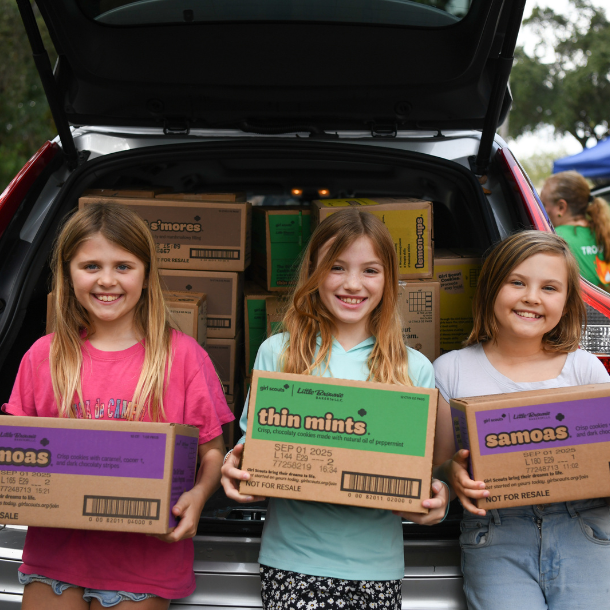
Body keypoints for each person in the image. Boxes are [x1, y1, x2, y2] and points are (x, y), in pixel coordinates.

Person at [3, 202, 234, 609]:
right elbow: (18, 455)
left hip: (144, 564)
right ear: (67, 272)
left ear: (146, 275)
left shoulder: (182, 357)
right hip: (55, 559)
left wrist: (198, 495)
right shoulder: (42, 357)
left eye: (123, 266)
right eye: (90, 266)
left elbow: (213, 451)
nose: (106, 280)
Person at [221, 208, 449, 610]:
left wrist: (434, 501)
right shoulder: (279, 353)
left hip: (377, 568)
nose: (353, 284)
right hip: (293, 560)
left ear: (389, 279)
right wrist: (236, 470)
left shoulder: (413, 368)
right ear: (314, 272)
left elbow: (417, 477)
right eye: (337, 267)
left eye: (370, 271)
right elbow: (252, 457)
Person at [433, 230, 610, 610]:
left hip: (585, 526)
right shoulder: (451, 370)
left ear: (566, 301)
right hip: (496, 531)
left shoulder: (585, 368)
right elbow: (440, 465)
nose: (532, 297)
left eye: (550, 287)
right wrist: (453, 476)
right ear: (491, 288)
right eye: (517, 282)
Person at [540, 170, 610, 289]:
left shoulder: (555, 239)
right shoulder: (603, 230)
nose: (542, 210)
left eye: (543, 204)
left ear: (561, 207)